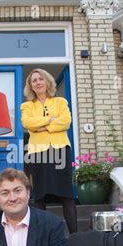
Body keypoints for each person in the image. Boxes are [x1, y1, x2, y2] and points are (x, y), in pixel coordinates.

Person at [21, 68, 78, 234]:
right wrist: (50, 120)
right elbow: (27, 123)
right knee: (40, 195)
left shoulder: (60, 102)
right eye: (34, 80)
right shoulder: (26, 106)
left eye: (41, 79)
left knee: (66, 194)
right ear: (30, 86)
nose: (38, 82)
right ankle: (43, 237)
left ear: (47, 82)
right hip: (38, 152)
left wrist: (42, 127)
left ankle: (75, 237)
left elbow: (66, 121)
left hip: (60, 150)